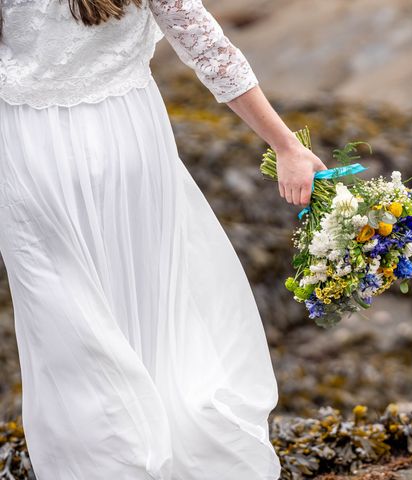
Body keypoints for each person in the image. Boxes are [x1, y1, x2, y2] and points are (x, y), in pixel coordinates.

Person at [0, 0, 327, 478]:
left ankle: (116, 465)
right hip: (130, 141)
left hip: (31, 154)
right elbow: (207, 46)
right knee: (158, 312)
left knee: (70, 330)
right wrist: (287, 145)